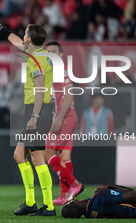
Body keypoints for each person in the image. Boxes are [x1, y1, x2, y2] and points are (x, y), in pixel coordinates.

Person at [0, 11, 55, 216]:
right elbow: (15, 41)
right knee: (19, 155)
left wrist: (34, 116)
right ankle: (30, 202)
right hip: (35, 109)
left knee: (37, 158)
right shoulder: (37, 53)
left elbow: (41, 88)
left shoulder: (36, 59)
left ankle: (49, 207)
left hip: (38, 110)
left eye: (24, 33)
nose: (22, 36)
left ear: (29, 39)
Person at [44, 41, 84, 206]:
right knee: (63, 156)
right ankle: (64, 193)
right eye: (49, 52)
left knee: (48, 153)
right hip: (68, 116)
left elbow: (69, 94)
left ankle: (75, 185)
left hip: (65, 117)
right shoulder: (54, 71)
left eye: (54, 51)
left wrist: (59, 118)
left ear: (60, 55)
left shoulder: (60, 70)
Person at [62, 156, 136, 218]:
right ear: (73, 202)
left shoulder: (91, 215)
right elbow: (135, 196)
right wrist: (109, 186)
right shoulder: (102, 196)